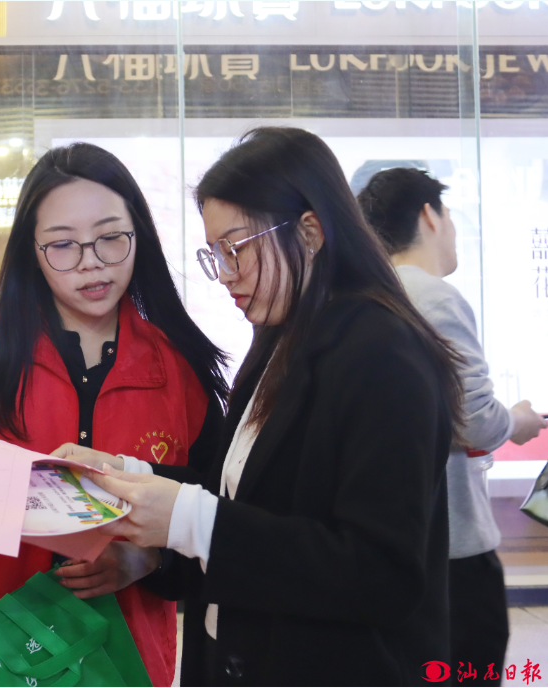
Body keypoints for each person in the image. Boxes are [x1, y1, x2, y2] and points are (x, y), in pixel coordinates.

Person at [54, 127, 465, 686]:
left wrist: (190, 520)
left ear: (311, 232)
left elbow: (380, 573)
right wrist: (127, 475)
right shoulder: (281, 336)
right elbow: (246, 495)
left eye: (237, 248)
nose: (226, 274)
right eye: (215, 254)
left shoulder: (384, 353)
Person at [0, 143, 228, 687]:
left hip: (124, 664)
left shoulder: (182, 375)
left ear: (139, 236)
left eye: (111, 237)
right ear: (31, 251)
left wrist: (150, 561)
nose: (91, 262)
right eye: (62, 244)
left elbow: (222, 526)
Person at [357, 167, 547, 682]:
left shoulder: (369, 294)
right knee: (468, 671)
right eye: (451, 215)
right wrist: (518, 420)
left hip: (400, 542)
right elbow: (474, 421)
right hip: (453, 546)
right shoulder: (432, 296)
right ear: (430, 215)